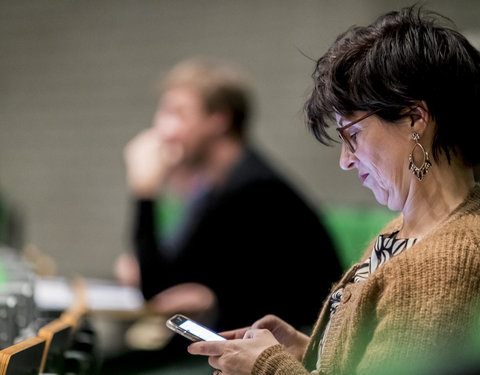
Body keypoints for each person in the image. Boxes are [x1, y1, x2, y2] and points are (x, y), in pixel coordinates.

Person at [188, 7, 480, 375]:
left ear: (415, 118)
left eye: (353, 134)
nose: (345, 160)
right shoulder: (404, 231)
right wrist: (309, 352)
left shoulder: (442, 263)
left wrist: (268, 366)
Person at [122, 57, 341, 332]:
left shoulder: (254, 190)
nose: (162, 129)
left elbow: (155, 289)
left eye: (177, 113)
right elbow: (170, 277)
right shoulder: (216, 186)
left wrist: (144, 190)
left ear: (219, 119)